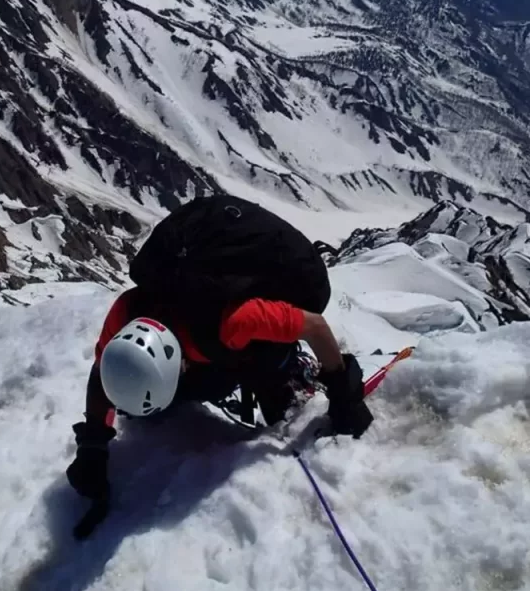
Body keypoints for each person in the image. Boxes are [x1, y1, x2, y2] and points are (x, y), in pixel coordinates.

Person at [66, 195, 373, 511]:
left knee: (261, 362)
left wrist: (342, 393)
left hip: (286, 280)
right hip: (198, 308)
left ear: (181, 365)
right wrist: (92, 446)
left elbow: (315, 326)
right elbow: (104, 372)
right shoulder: (127, 313)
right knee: (176, 393)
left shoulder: (231, 324)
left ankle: (287, 369)